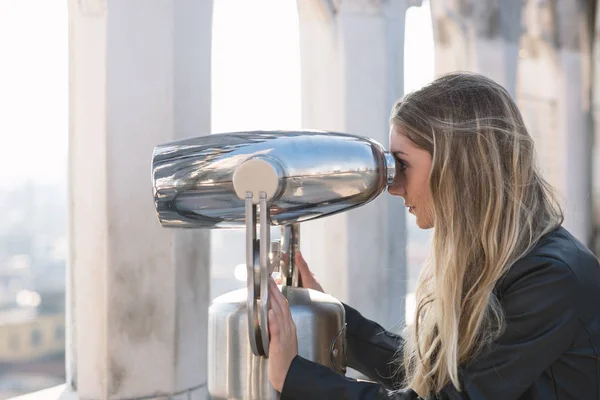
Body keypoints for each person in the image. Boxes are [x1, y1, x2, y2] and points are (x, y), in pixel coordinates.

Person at [266, 72, 600, 400]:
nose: (393, 187)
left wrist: (295, 378)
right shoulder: (503, 261)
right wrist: (334, 317)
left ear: (458, 165)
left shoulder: (550, 279)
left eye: (402, 165)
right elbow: (431, 375)